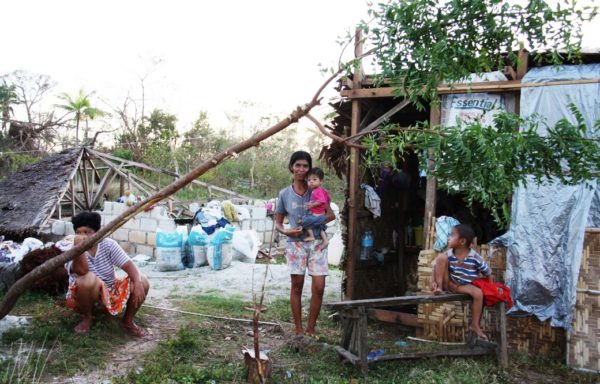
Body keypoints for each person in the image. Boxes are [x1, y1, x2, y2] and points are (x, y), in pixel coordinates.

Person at [274, 151, 335, 337]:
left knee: (319, 286)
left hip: (317, 243)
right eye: (297, 165)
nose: (301, 169)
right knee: (297, 286)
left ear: (310, 169)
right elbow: (278, 221)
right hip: (295, 245)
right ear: (291, 167)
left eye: (305, 166)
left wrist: (311, 222)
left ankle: (311, 329)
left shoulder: (316, 190)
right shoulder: (284, 194)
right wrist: (286, 231)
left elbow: (330, 215)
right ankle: (299, 329)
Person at [65, 211, 150, 337]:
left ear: (97, 233)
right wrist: (79, 249)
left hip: (110, 295)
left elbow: (130, 266)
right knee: (89, 278)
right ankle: (87, 318)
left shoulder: (108, 245)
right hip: (84, 299)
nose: (82, 236)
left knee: (142, 280)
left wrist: (137, 283)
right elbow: (82, 271)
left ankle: (128, 322)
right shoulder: (71, 250)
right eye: (78, 232)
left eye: (87, 232)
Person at [431, 224, 492, 340]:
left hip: (464, 285)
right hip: (448, 283)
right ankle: (438, 288)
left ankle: (475, 325)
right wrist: (433, 281)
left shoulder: (475, 257)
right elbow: (435, 268)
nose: (449, 238)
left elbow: (488, 272)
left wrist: (491, 288)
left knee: (479, 293)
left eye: (452, 235)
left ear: (462, 241)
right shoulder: (448, 254)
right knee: (440, 258)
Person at [301, 167, 330, 250]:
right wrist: (310, 203)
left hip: (317, 215)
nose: (311, 182)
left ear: (321, 181)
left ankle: (311, 236)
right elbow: (316, 200)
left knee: (304, 222)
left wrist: (312, 205)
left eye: (314, 179)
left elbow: (322, 201)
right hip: (319, 215)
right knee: (320, 228)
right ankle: (325, 241)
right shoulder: (315, 190)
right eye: (309, 180)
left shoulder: (318, 190)